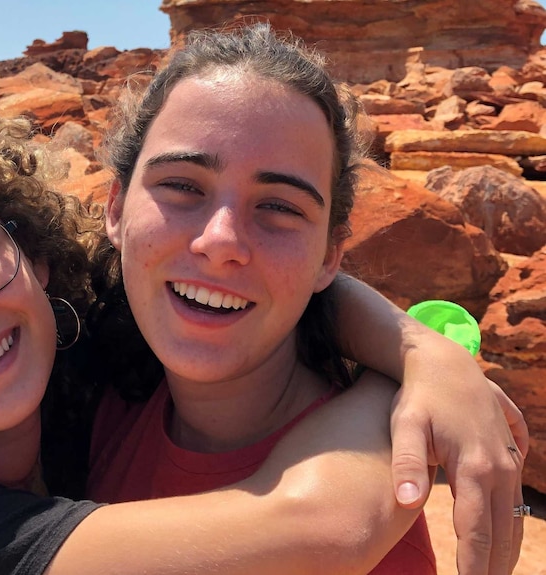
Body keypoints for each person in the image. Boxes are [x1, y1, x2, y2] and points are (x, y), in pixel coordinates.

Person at [0, 69, 523, 574]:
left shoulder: (72, 342)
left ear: (37, 254)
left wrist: (426, 351)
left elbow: (258, 279)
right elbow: (320, 531)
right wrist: (406, 384)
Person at [87, 22, 527, 575]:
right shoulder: (88, 391)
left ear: (329, 257)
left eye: (281, 207)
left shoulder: (380, 539)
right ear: (116, 209)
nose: (221, 241)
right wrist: (422, 348)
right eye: (183, 185)